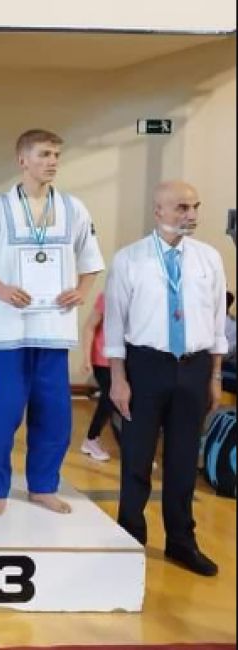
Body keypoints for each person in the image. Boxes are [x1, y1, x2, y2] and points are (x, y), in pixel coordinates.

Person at [0, 129, 104, 517]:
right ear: (22, 160)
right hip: (10, 332)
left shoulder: (73, 208)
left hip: (54, 330)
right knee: (2, 416)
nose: (52, 161)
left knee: (55, 416)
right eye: (44, 154)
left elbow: (90, 260)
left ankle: (43, 486)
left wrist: (82, 290)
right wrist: (0, 289)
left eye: (56, 154)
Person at [105, 180, 227, 577]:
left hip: (194, 366)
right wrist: (118, 379)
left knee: (183, 459)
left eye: (195, 206)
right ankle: (129, 537)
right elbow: (115, 323)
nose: (191, 214)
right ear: (158, 211)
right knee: (137, 458)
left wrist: (214, 375)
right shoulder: (130, 259)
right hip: (145, 365)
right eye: (181, 207)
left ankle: (181, 541)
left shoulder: (209, 258)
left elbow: (217, 322)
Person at [78, 292, 119, 461]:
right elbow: (89, 327)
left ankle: (135, 451)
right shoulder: (108, 296)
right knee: (110, 398)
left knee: (126, 404)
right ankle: (91, 439)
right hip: (103, 359)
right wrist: (86, 359)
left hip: (125, 360)